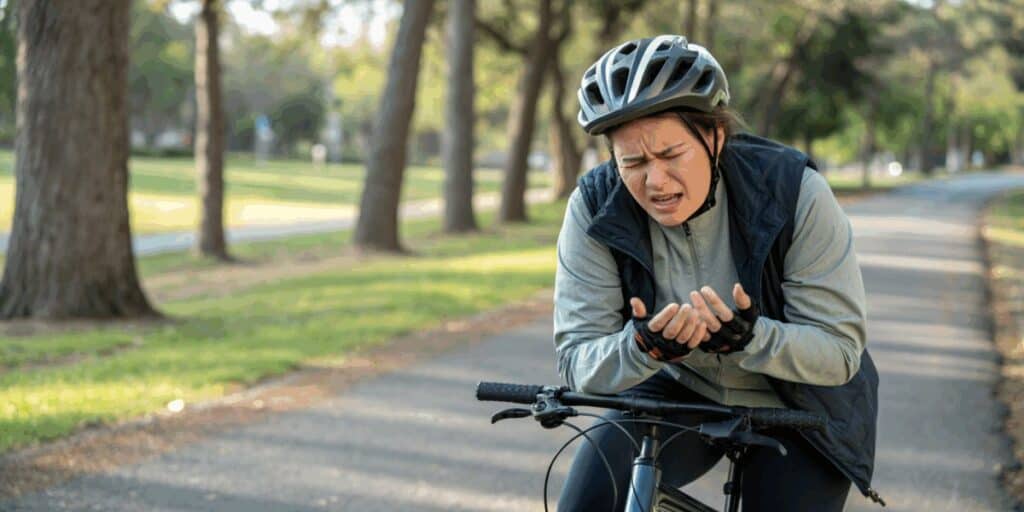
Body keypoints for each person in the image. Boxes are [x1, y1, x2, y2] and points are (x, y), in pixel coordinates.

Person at [553, 34, 883, 511]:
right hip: (678, 386)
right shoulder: (594, 206)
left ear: (715, 136)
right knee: (589, 501)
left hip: (801, 404)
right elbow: (578, 360)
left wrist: (748, 339)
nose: (656, 181)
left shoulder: (796, 192)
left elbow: (839, 352)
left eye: (670, 155)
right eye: (634, 162)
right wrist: (644, 346)